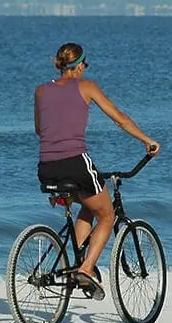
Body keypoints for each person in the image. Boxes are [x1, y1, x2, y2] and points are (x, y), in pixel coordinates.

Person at [35, 42, 159, 301]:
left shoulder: (41, 91)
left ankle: (80, 259)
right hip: (75, 162)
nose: (85, 69)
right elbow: (119, 118)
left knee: (89, 203)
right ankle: (87, 268)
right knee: (107, 215)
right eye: (85, 64)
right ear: (79, 65)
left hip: (46, 166)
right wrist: (147, 141)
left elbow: (40, 130)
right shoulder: (87, 87)